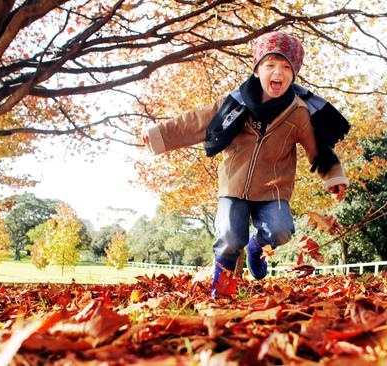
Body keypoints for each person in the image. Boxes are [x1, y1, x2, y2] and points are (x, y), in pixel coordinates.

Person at [142, 31, 350, 298]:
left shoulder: (297, 112)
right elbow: (196, 122)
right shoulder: (234, 103)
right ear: (256, 70)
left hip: (273, 189)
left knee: (281, 230)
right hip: (234, 184)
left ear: (294, 75)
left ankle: (256, 246)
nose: (278, 72)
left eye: (287, 67)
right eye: (270, 65)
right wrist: (159, 134)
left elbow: (318, 148)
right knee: (229, 238)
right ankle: (223, 292)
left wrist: (333, 175)